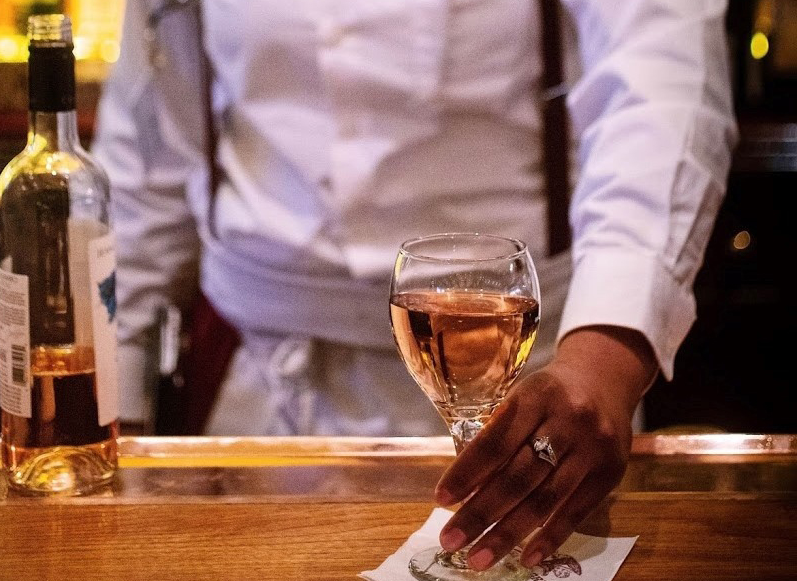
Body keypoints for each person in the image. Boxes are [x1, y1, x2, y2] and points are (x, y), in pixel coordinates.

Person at [91, 0, 737, 571]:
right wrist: (110, 406)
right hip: (257, 399)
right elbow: (147, 161)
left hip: (532, 389)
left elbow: (660, 95)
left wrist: (604, 361)